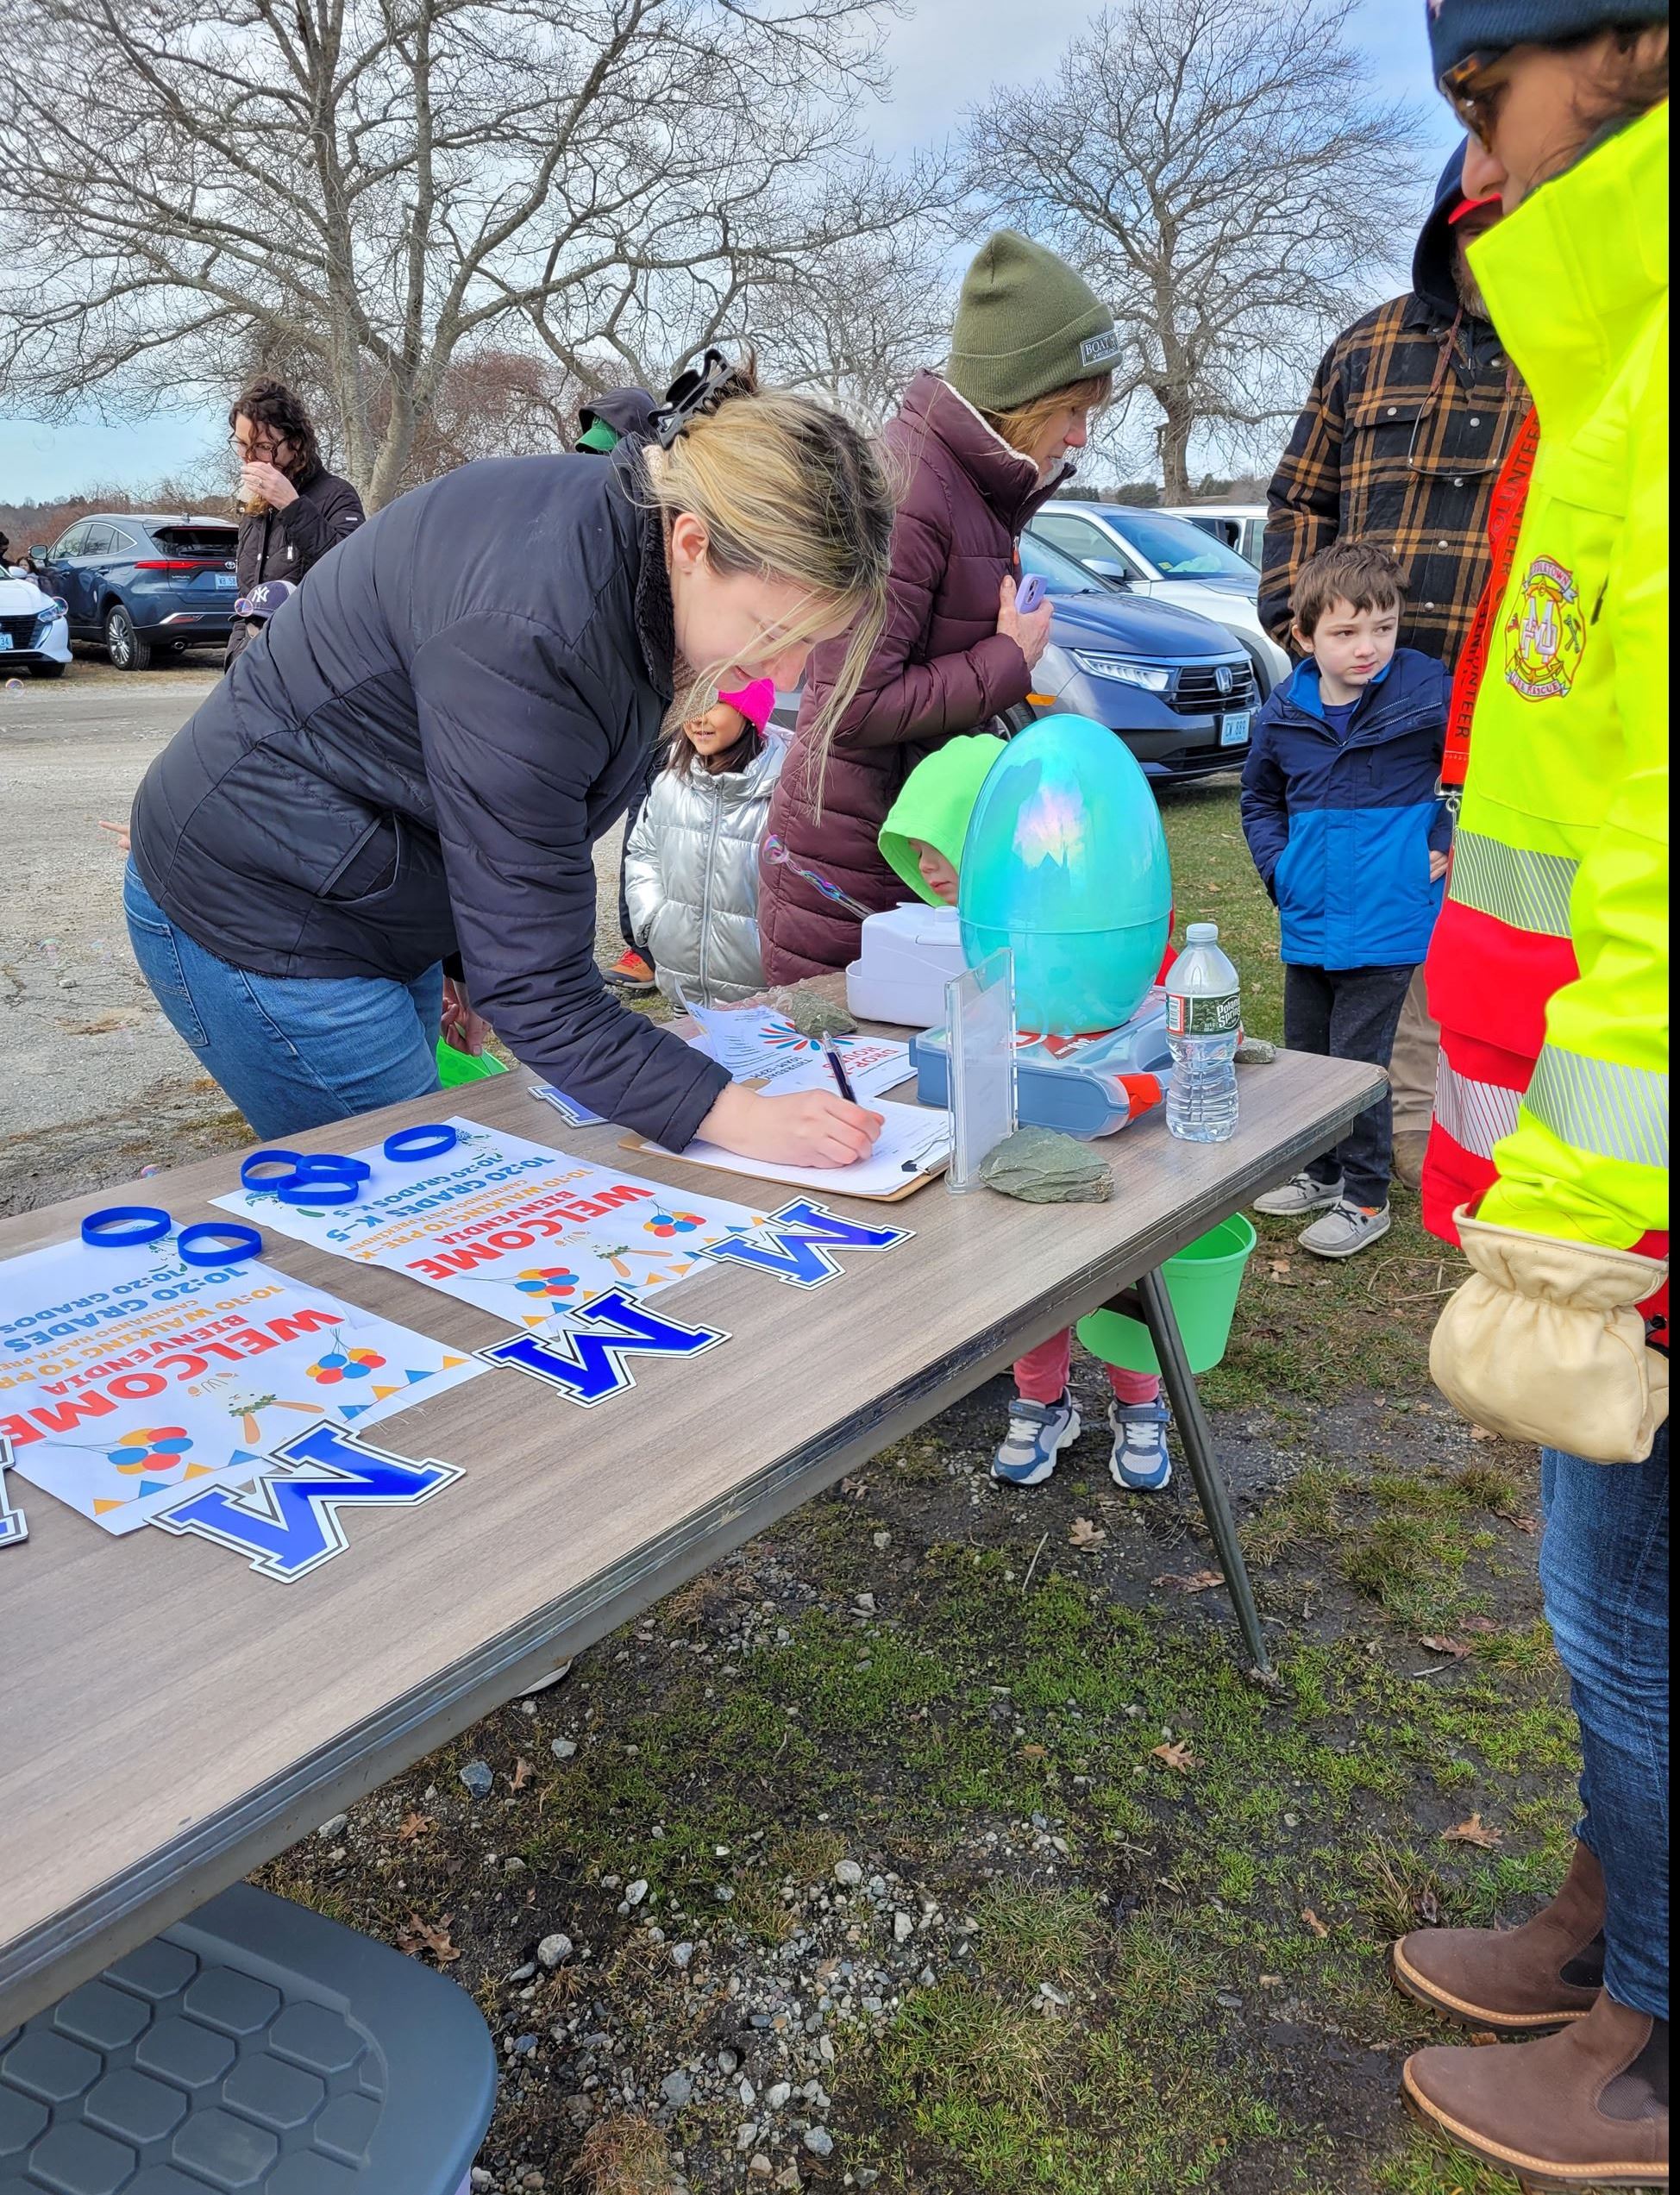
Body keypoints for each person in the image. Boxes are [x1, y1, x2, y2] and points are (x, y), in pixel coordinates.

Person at [125, 356, 895, 1176]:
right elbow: (542, 991)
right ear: (694, 543)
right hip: (261, 909)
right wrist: (737, 1114)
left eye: (811, 646)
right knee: (417, 1198)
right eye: (773, 633)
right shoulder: (537, 628)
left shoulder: (627, 553)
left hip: (362, 879)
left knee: (424, 1177)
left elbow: (463, 784)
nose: (778, 677)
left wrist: (464, 957)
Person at [1387, 8, 1669, 2188]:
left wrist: (1578, 1213)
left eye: (1508, 97)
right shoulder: (1606, 350)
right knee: (1607, 1608)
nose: (1483, 161)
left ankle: (1654, 2023)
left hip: (1639, 1206)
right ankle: (1608, 1918)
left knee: (1634, 1609)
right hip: (1590, 1173)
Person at [1260, 145, 1528, 1192]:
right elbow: (1296, 498)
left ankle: (1409, 1143)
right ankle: (1338, 1140)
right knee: (1350, 909)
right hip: (1348, 707)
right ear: (1445, 229)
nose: (1496, 249)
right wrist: (1301, 626)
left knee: (1456, 921)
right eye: (1479, 228)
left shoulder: (1574, 352)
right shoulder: (1365, 347)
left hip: (1493, 712)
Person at [757, 229, 1120, 981]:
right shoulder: (915, 491)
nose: (1081, 434)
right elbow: (849, 708)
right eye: (1072, 408)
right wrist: (1006, 660)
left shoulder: (971, 487)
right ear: (1020, 396)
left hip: (906, 871)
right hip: (855, 891)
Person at [876, 734, 1175, 1491]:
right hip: (1015, 1145)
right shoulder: (987, 927)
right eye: (920, 852)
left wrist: (1128, 1086)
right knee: (1031, 1290)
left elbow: (1159, 1028)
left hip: (1117, 1165)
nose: (930, 868)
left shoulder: (1108, 924)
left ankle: (1141, 1405)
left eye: (938, 846)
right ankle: (1042, 1401)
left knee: (1126, 1282)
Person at [1241, 541, 1451, 1259]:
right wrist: (1281, 870)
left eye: (1383, 628)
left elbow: (1473, 774)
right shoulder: (1282, 714)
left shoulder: (1430, 695)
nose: (1368, 648)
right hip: (1310, 920)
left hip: (1390, 922)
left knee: (1359, 1067)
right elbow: (1259, 799)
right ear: (1304, 636)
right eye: (1346, 632)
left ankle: (1366, 1197)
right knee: (1309, 1058)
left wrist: (1448, 830)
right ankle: (1321, 1170)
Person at [623, 677, 781, 1005]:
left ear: (749, 712)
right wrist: (653, 920)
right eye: (691, 702)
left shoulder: (781, 793)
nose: (698, 716)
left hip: (759, 991)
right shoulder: (670, 783)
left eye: (714, 703)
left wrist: (775, 942)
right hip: (682, 985)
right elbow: (643, 853)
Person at [226, 378, 367, 667]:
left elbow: (353, 577)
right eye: (242, 444)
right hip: (256, 668)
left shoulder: (337, 495)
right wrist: (235, 662)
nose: (250, 457)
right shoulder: (253, 507)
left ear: (295, 443)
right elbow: (247, 601)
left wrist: (292, 506)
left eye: (263, 446)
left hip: (313, 667)